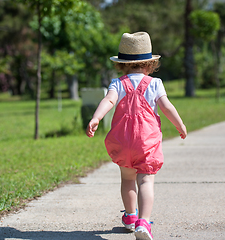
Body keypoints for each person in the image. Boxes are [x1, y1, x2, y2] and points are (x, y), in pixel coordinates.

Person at [86, 32, 187, 240]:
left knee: (127, 179)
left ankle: (130, 217)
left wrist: (96, 118)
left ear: (122, 65)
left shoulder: (117, 83)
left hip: (122, 141)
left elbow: (109, 101)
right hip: (146, 142)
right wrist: (180, 125)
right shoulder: (155, 83)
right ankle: (143, 222)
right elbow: (167, 107)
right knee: (145, 181)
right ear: (149, 65)